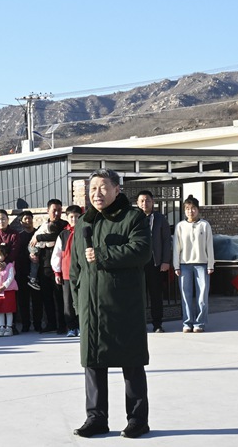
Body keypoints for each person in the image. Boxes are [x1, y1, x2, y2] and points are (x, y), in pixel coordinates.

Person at [70, 169, 152, 439]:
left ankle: (137, 419)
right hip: (91, 307)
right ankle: (96, 418)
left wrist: (103, 254)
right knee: (93, 364)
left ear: (117, 189)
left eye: (103, 187)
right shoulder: (84, 222)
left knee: (131, 363)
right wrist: (78, 302)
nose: (97, 193)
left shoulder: (133, 217)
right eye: (93, 188)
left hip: (123, 305)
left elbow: (141, 251)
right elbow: (76, 269)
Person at [173, 196, 213, 333]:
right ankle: (187, 323)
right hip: (184, 265)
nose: (191, 211)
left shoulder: (205, 225)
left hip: (202, 264)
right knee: (186, 295)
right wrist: (176, 265)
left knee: (202, 296)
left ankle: (199, 323)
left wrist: (210, 264)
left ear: (198, 209)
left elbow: (209, 246)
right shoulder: (180, 226)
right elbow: (176, 247)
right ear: (184, 210)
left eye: (193, 208)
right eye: (188, 209)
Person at [135, 191, 172, 333]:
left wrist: (165, 261)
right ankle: (139, 323)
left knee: (156, 294)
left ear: (153, 202)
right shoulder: (134, 218)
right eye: (142, 201)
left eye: (148, 200)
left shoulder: (160, 218)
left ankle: (157, 324)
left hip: (155, 262)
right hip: (138, 263)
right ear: (138, 203)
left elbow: (166, 240)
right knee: (138, 295)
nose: (145, 203)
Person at [31, 199, 67, 333]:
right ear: (48, 211)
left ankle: (62, 325)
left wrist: (39, 238)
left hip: (59, 267)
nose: (57, 213)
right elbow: (33, 244)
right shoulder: (43, 226)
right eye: (54, 210)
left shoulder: (64, 225)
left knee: (60, 298)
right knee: (47, 298)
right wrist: (33, 254)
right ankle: (51, 323)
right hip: (44, 266)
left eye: (59, 210)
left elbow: (56, 236)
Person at [51, 205, 83, 337]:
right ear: (67, 218)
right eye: (71, 217)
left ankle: (82, 325)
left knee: (82, 300)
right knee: (68, 302)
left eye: (77, 216)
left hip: (83, 273)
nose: (74, 219)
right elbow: (57, 254)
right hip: (67, 273)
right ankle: (71, 327)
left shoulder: (85, 231)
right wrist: (57, 272)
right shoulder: (63, 234)